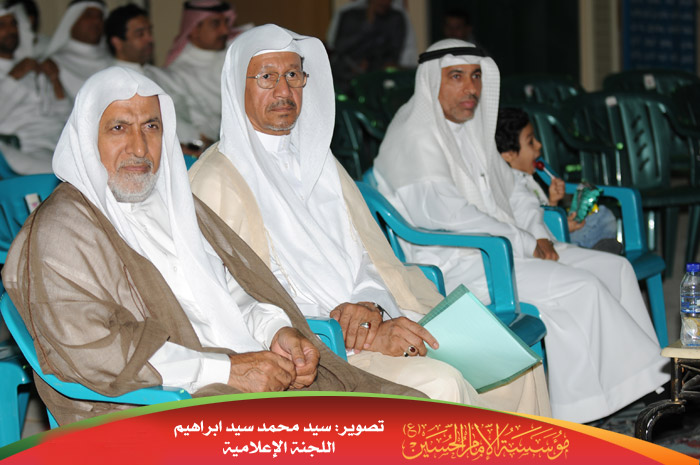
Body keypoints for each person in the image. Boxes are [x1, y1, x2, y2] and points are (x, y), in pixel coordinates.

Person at [1, 66, 422, 426]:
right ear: (86, 138)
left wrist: (276, 332)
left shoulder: (174, 204)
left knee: (404, 418)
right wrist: (226, 370)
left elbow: (233, 293)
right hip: (151, 406)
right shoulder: (62, 230)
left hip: (240, 373)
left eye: (151, 126)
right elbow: (94, 351)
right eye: (118, 128)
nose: (139, 147)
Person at [189, 24, 550, 415]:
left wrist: (371, 307)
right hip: (316, 346)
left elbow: (367, 256)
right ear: (236, 86)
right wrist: (356, 332)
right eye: (267, 77)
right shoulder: (214, 181)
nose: (283, 91)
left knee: (517, 368)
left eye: (293, 75)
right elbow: (230, 301)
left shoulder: (319, 161)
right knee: (442, 383)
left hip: (378, 316)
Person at [373, 39, 669, 423]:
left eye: (476, 76)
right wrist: (526, 242)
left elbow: (514, 188)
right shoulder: (414, 138)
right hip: (465, 263)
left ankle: (645, 384)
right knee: (583, 288)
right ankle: (588, 409)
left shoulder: (469, 129)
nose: (471, 88)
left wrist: (538, 233)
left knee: (617, 269)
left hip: (509, 245)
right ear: (431, 81)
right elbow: (454, 216)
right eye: (457, 77)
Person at [495, 107, 621, 253]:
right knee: (604, 220)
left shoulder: (527, 178)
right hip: (547, 243)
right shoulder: (512, 185)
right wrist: (563, 227)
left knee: (603, 214)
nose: (539, 145)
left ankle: (596, 250)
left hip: (554, 234)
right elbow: (530, 227)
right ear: (509, 155)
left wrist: (553, 201)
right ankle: (593, 251)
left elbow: (542, 215)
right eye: (531, 142)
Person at [105, 3, 205, 156]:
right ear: (117, 42)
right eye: (140, 34)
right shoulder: (110, 84)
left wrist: (205, 140)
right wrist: (176, 149)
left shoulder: (166, 75)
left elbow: (196, 111)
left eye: (149, 31)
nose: (150, 39)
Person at [0, 3, 69, 174]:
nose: (10, 30)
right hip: (21, 149)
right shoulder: (21, 69)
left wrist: (55, 80)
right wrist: (14, 77)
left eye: (13, 24)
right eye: (2, 25)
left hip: (56, 145)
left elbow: (66, 115)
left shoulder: (33, 67)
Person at [164, 0, 237, 146]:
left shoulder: (234, 53)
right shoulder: (178, 73)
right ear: (194, 29)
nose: (225, 31)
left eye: (226, 22)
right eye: (216, 24)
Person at [326, 0, 413, 92]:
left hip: (377, 74)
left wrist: (371, 63)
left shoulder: (395, 19)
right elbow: (339, 47)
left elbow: (393, 54)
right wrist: (367, 24)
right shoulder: (350, 16)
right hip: (347, 73)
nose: (384, 2)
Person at [42, 0, 112, 100]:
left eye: (100, 17)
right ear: (72, 20)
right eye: (89, 15)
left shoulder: (114, 59)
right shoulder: (53, 63)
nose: (96, 21)